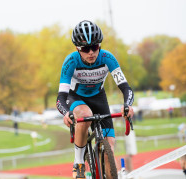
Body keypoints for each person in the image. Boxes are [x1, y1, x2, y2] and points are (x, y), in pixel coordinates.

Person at [56, 20, 134, 179]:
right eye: (85, 48)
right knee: (84, 115)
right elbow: (60, 98)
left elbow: (126, 88)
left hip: (99, 98)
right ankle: (78, 163)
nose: (91, 52)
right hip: (76, 97)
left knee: (109, 150)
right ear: (78, 48)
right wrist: (66, 113)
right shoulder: (71, 61)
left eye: (95, 47)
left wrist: (127, 105)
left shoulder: (108, 58)